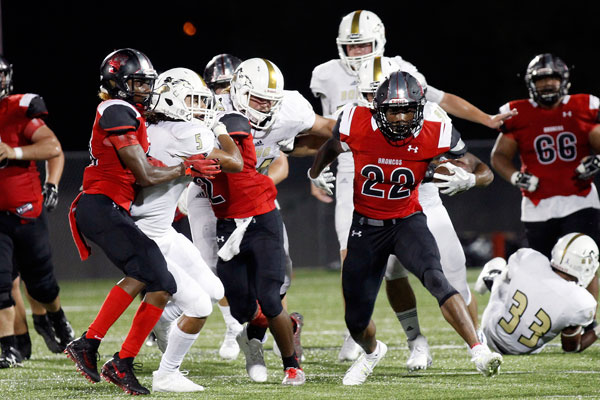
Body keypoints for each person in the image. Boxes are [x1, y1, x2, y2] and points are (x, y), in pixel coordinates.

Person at [309, 9, 515, 367]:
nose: (379, 108)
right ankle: (391, 336)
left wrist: (468, 171)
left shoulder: (427, 115)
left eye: (389, 101)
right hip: (360, 179)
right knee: (375, 266)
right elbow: (327, 136)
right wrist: (315, 172)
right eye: (370, 98)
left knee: (449, 265)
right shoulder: (349, 108)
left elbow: (473, 161)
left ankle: (476, 342)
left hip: (416, 190)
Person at [63, 48, 218, 395]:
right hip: (100, 206)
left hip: (108, 208)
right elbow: (145, 174)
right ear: (116, 83)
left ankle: (92, 345)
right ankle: (118, 361)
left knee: (148, 277)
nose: (144, 90)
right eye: (136, 82)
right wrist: (185, 167)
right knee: (161, 281)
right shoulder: (116, 109)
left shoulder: (130, 113)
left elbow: (145, 168)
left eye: (147, 83)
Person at [187, 57, 334, 364]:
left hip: (255, 199)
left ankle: (279, 329)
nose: (265, 107)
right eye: (258, 99)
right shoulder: (212, 110)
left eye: (270, 101)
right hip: (210, 195)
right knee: (214, 275)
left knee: (277, 276)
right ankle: (240, 324)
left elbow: (326, 129)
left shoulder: (289, 109)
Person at [130, 67, 242, 392]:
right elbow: (235, 161)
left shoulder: (153, 127)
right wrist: (220, 128)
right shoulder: (186, 133)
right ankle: (167, 373)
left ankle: (159, 321)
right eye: (191, 98)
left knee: (216, 290)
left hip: (160, 229)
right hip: (149, 233)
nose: (199, 107)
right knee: (201, 306)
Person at [490, 53, 600, 307]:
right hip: (538, 204)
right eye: (541, 81)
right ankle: (553, 317)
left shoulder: (583, 106)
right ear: (531, 84)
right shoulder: (518, 113)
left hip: (579, 198)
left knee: (584, 261)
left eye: (552, 79)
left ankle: (586, 320)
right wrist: (515, 176)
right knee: (544, 267)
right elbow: (499, 156)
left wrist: (596, 161)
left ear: (564, 81)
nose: (547, 85)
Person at [0, 55, 74, 368]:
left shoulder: (18, 110)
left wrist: (13, 153)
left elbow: (53, 148)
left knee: (40, 282)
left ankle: (53, 318)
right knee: (2, 283)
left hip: (25, 209)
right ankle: (10, 346)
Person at [476, 233, 599, 355]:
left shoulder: (531, 258)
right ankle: (494, 277)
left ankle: (492, 275)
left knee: (506, 272)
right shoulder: (582, 302)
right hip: (522, 350)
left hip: (489, 331)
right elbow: (571, 347)